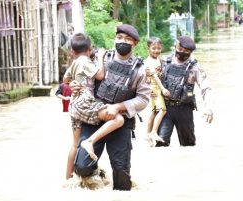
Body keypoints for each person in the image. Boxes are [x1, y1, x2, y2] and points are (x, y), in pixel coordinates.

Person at [72, 24, 150, 190]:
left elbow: (143, 99)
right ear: (115, 39)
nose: (123, 41)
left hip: (120, 122)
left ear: (135, 43)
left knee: (122, 179)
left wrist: (119, 106)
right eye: (120, 38)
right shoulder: (100, 59)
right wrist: (75, 86)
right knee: (82, 168)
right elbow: (84, 82)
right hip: (95, 118)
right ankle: (97, 174)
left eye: (128, 39)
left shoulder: (140, 70)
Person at [64, 32, 113, 180]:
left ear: (72, 52)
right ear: (90, 49)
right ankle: (90, 142)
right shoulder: (85, 60)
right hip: (85, 101)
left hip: (74, 104)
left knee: (74, 145)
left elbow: (65, 79)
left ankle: (68, 178)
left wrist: (74, 82)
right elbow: (100, 76)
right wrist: (99, 58)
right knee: (115, 117)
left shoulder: (74, 63)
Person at [155, 36, 214, 147]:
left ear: (191, 52)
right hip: (165, 109)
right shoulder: (163, 61)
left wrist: (209, 108)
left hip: (184, 109)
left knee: (188, 145)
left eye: (186, 51)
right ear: (176, 47)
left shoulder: (195, 67)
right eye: (180, 49)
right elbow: (150, 81)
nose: (182, 52)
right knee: (160, 143)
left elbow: (206, 88)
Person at [144, 37, 170, 146]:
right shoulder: (148, 62)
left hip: (153, 88)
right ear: (148, 48)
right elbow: (155, 77)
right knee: (163, 110)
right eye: (153, 48)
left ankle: (147, 134)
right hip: (155, 88)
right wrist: (163, 89)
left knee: (154, 111)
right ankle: (154, 132)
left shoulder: (159, 59)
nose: (156, 50)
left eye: (158, 48)